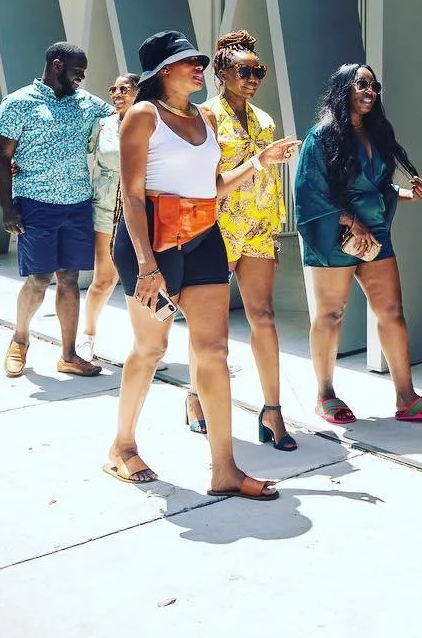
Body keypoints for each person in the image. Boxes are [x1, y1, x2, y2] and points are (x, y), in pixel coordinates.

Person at [103, 30, 297, 498]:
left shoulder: (202, 119)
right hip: (153, 243)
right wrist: (147, 265)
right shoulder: (143, 116)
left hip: (204, 236)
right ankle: (122, 447)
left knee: (214, 352)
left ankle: (225, 468)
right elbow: (130, 195)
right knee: (151, 349)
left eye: (199, 61)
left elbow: (212, 186)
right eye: (188, 61)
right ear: (162, 71)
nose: (199, 67)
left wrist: (259, 161)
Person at [294, 64, 422, 426]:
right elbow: (308, 192)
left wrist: (405, 194)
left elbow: (374, 186)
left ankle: (406, 396)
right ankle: (325, 393)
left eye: (374, 86)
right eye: (361, 84)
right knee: (331, 315)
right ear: (343, 88)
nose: (370, 91)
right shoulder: (322, 137)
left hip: (375, 232)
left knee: (392, 312)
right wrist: (350, 219)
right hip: (334, 232)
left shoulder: (377, 133)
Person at [197, 30, 294, 449]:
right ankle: (196, 395)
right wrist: (259, 160)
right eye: (245, 70)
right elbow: (208, 185)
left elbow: (268, 176)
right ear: (222, 72)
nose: (253, 78)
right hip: (215, 227)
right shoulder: (205, 116)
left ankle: (273, 411)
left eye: (259, 70)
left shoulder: (265, 120)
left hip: (258, 226)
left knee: (264, 315)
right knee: (211, 327)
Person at [0, 42, 113, 378]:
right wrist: (7, 208)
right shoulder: (18, 103)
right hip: (35, 203)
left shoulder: (87, 104)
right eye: (78, 71)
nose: (82, 78)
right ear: (57, 65)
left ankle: (69, 355)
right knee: (39, 278)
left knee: (70, 278)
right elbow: (1, 157)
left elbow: (122, 115)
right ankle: (19, 340)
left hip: (77, 203)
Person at [78, 72, 139, 362]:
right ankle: (87, 336)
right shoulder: (103, 125)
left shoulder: (151, 124)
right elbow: (74, 152)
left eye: (124, 88)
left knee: (143, 280)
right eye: (113, 88)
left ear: (139, 92)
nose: (116, 93)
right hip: (105, 208)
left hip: (141, 209)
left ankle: (145, 346)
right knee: (104, 279)